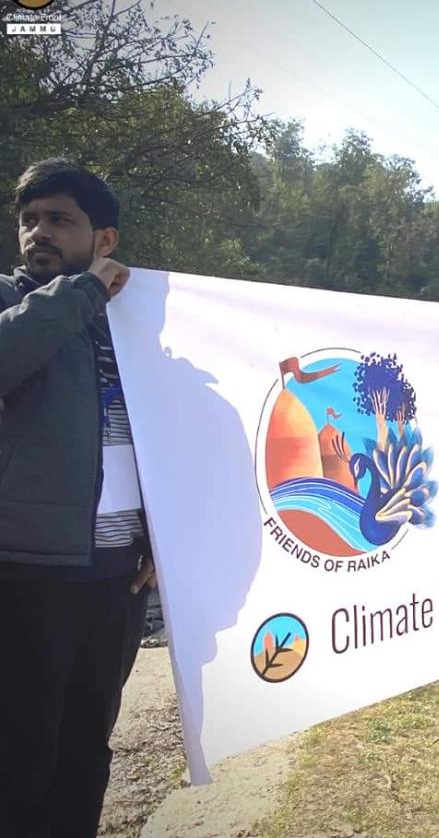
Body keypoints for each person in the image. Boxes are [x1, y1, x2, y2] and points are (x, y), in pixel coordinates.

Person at [0, 159, 157, 836]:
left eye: (60, 219)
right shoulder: (16, 301)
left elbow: (173, 440)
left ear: (104, 238)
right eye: (29, 219)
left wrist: (163, 537)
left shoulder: (140, 325)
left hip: (116, 580)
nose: (39, 231)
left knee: (87, 750)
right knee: (19, 756)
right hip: (26, 574)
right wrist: (81, 293)